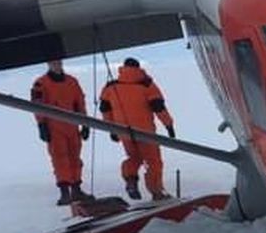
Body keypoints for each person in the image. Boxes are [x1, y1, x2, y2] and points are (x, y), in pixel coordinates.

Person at [98, 57, 176, 201]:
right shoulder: (147, 84)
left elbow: (104, 108)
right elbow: (158, 107)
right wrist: (169, 125)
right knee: (153, 162)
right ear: (139, 68)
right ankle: (157, 193)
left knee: (134, 158)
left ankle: (130, 180)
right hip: (145, 132)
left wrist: (111, 128)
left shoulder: (110, 87)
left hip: (124, 132)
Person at [30, 59, 93, 205]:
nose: (57, 65)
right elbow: (37, 105)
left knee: (75, 158)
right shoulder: (40, 83)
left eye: (58, 62)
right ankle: (65, 192)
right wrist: (42, 124)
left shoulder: (72, 81)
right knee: (60, 159)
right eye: (53, 63)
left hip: (72, 126)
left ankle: (76, 189)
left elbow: (80, 102)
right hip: (54, 126)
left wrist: (85, 123)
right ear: (48, 64)